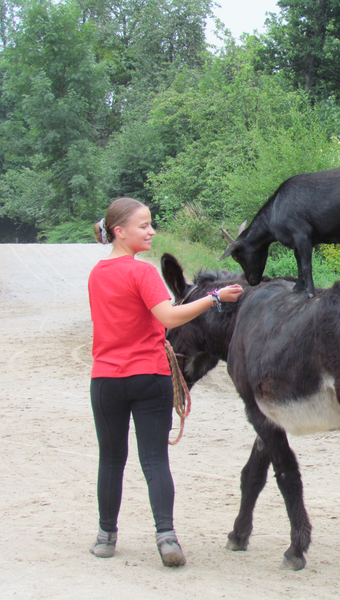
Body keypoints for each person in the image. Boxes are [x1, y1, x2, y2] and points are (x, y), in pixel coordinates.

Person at [87, 197, 243, 567]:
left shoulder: (96, 273)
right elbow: (170, 317)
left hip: (106, 379)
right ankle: (166, 537)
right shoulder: (140, 273)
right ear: (119, 231)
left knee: (110, 459)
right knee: (154, 459)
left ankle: (105, 537)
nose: (151, 231)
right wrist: (214, 297)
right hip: (149, 376)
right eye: (144, 225)